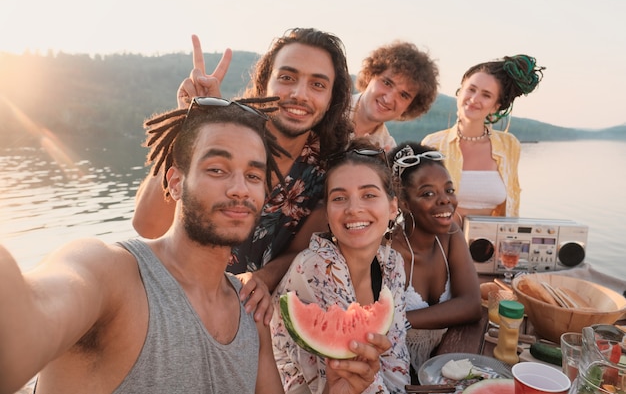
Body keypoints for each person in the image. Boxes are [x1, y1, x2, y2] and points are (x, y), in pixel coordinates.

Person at [0, 100, 385, 394]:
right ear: (175, 181)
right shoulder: (111, 272)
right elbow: (22, 331)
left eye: (253, 175)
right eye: (217, 169)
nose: (238, 187)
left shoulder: (252, 314)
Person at [132, 29, 354, 314]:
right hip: (174, 299)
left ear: (332, 97)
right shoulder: (225, 132)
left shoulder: (330, 165)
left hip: (250, 313)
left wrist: (263, 278)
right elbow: (147, 226)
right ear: (265, 82)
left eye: (318, 85)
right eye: (287, 78)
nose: (300, 94)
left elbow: (303, 248)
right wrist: (194, 122)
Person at [270, 138, 410, 394]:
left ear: (392, 207)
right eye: (339, 198)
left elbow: (396, 365)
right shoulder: (316, 267)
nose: (354, 209)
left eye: (369, 195)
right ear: (327, 214)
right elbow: (350, 380)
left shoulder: (392, 264)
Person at [388, 141, 482, 375]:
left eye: (448, 190)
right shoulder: (387, 251)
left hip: (445, 364)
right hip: (394, 370)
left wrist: (403, 319)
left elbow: (472, 305)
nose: (445, 200)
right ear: (404, 202)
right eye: (428, 193)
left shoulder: (451, 234)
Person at [422, 54, 545, 220]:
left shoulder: (509, 145)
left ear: (495, 107)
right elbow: (421, 204)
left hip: (493, 244)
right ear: (459, 92)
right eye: (471, 89)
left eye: (486, 95)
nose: (474, 99)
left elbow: (512, 204)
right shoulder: (433, 144)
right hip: (442, 242)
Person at [350, 41, 439, 151]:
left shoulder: (388, 151)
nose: (388, 99)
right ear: (370, 75)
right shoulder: (327, 109)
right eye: (387, 83)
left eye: (403, 95)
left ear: (409, 107)